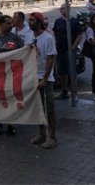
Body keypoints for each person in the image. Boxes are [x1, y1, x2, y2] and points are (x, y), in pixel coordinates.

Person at [0, 15, 23, 137]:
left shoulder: (16, 39)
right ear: (1, 24)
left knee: (10, 99)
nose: (10, 25)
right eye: (7, 23)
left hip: (11, 75)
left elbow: (23, 53)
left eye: (11, 23)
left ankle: (10, 123)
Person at [27, 12, 58, 149]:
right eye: (29, 20)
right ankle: (41, 133)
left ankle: (52, 136)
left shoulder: (48, 38)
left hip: (45, 78)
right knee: (38, 107)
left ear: (39, 22)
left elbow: (50, 59)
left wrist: (45, 78)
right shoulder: (28, 36)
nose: (30, 22)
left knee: (49, 108)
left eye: (32, 20)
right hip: (33, 76)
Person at [52, 5, 83, 104]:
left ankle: (75, 93)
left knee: (72, 72)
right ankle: (64, 91)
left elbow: (79, 36)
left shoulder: (74, 22)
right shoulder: (58, 21)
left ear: (68, 9)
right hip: (59, 50)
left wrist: (73, 47)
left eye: (64, 8)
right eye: (61, 9)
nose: (62, 10)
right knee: (62, 72)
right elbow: (54, 32)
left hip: (70, 51)